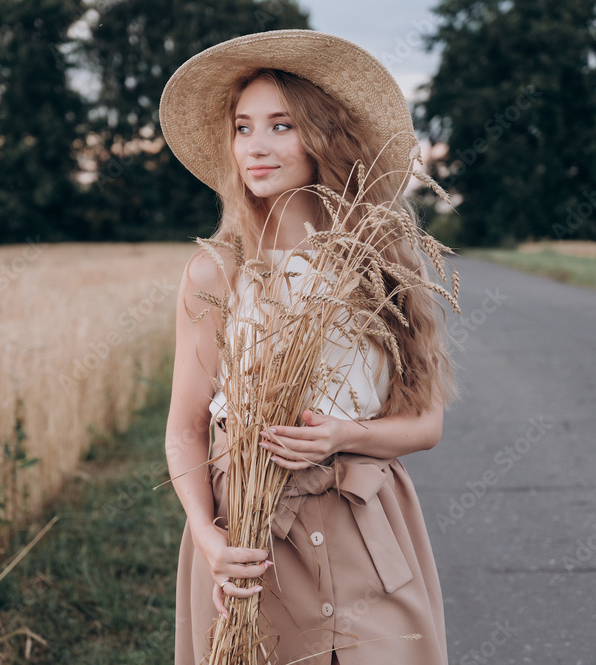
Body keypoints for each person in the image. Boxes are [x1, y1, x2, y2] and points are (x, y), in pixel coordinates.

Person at [159, 30, 458, 665]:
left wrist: (341, 437)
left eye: (281, 125)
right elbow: (184, 430)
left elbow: (426, 424)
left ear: (322, 137)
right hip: (250, 535)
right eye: (243, 128)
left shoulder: (382, 267)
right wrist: (210, 541)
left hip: (366, 528)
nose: (256, 147)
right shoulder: (217, 274)